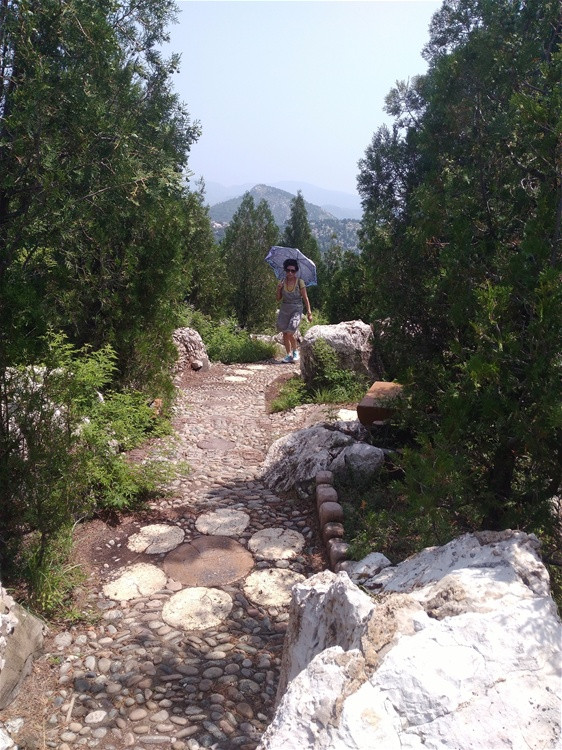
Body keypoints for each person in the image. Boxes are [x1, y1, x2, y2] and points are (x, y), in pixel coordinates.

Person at [275, 259, 312, 363]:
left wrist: (309, 312)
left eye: (293, 270)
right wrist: (278, 289)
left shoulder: (300, 282)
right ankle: (288, 355)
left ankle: (295, 351)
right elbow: (278, 298)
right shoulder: (282, 282)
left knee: (290, 332)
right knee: (285, 333)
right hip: (285, 308)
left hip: (296, 308)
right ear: (285, 270)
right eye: (288, 270)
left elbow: (305, 298)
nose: (290, 273)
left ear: (296, 271)